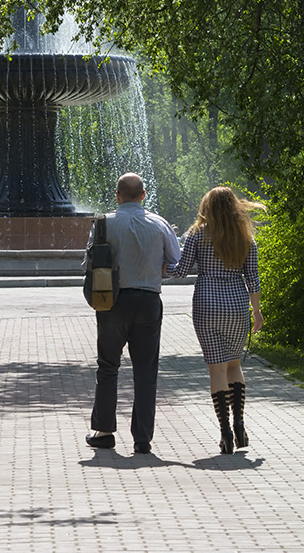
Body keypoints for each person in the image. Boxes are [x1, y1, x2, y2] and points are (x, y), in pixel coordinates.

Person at [85, 173, 180, 455]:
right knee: (146, 372)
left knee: (108, 366)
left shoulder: (104, 224)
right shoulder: (160, 224)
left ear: (117, 195)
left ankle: (103, 431)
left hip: (112, 301)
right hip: (149, 301)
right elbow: (175, 263)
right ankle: (142, 439)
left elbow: (87, 264)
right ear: (144, 194)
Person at [169, 186, 264, 454]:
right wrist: (256, 311)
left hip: (207, 305)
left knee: (217, 370)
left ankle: (225, 434)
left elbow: (181, 271)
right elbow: (253, 278)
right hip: (236, 304)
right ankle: (240, 426)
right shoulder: (246, 237)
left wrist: (162, 265)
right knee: (234, 365)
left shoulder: (197, 235)